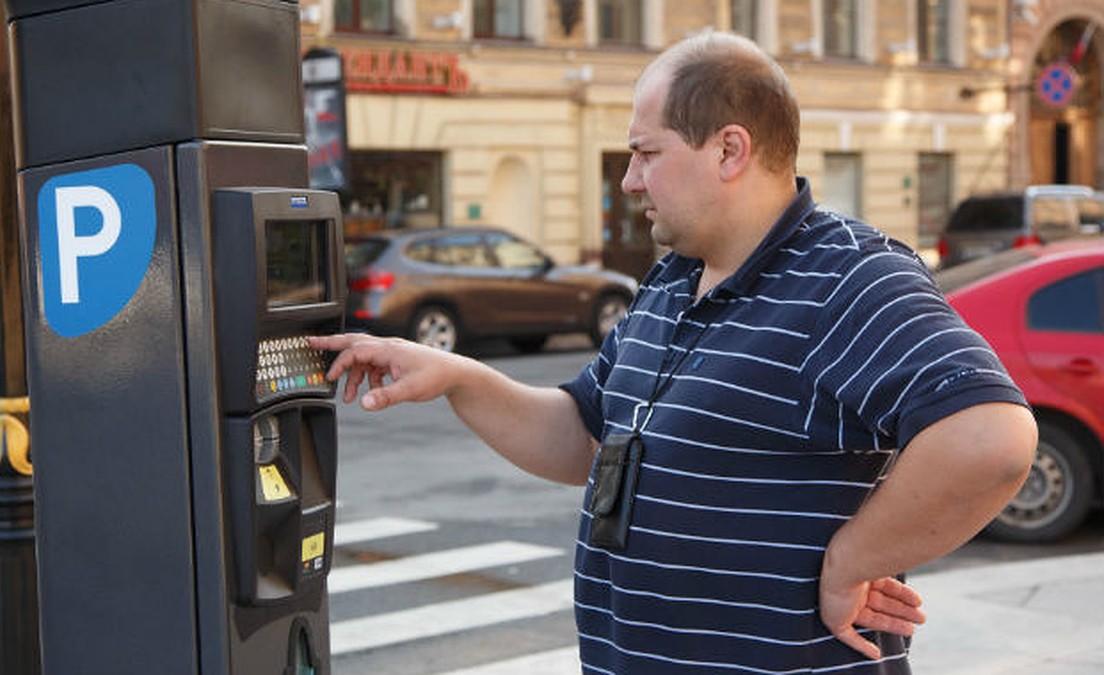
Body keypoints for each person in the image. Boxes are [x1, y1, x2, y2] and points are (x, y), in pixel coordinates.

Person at [310, 30, 1037, 674]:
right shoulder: (671, 278)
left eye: (645, 153)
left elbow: (991, 438)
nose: (629, 181)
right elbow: (585, 436)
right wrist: (453, 376)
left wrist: (853, 559)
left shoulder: (848, 275)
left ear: (729, 149)